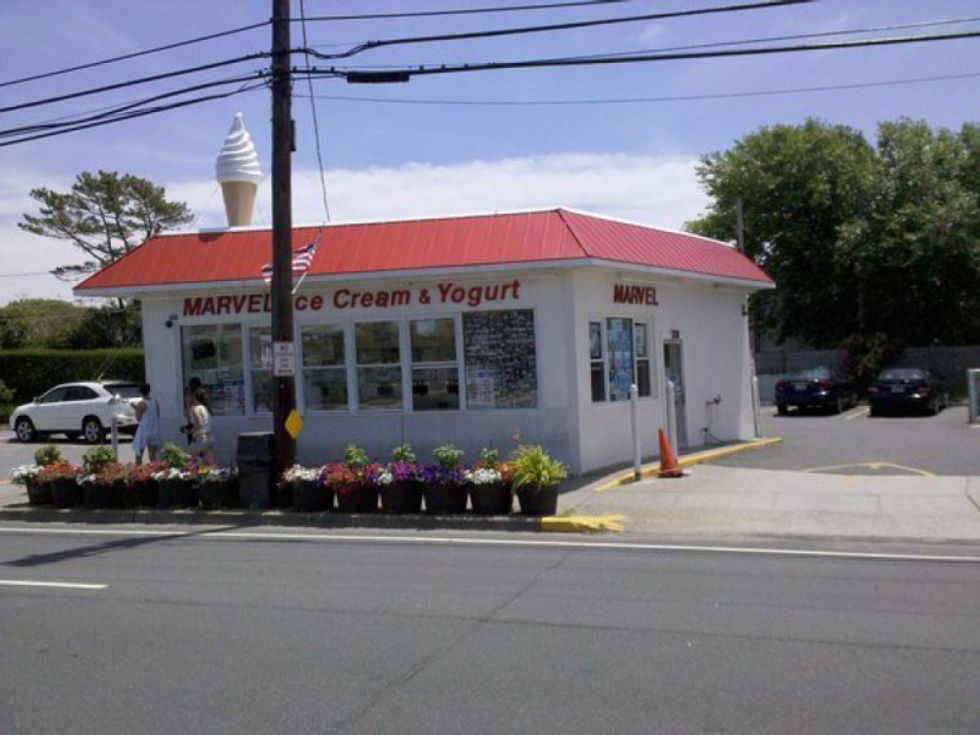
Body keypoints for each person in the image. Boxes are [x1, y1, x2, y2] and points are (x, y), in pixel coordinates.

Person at [132, 383, 162, 464]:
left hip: (144, 431)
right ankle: (155, 470)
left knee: (138, 456)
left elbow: (138, 418)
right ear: (149, 391)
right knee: (152, 456)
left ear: (140, 392)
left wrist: (135, 409)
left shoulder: (141, 404)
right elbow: (157, 415)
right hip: (154, 430)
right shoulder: (155, 402)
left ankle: (138, 471)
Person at [189, 388, 216, 466]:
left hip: (200, 437)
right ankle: (216, 472)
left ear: (194, 397)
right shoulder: (205, 408)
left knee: (193, 461)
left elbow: (199, 424)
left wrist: (191, 431)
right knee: (210, 462)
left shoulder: (195, 409)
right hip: (209, 436)